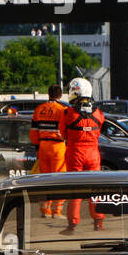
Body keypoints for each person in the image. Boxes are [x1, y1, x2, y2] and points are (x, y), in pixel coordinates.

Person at [61, 77, 106, 233]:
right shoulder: (98, 112)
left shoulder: (68, 113)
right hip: (93, 153)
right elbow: (100, 128)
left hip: (75, 153)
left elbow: (62, 133)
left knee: (75, 190)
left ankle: (72, 225)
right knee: (95, 190)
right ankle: (98, 223)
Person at [30, 84, 69, 218]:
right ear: (60, 95)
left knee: (44, 180)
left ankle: (45, 211)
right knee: (59, 180)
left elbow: (33, 132)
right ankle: (57, 211)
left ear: (49, 94)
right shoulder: (63, 110)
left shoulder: (39, 109)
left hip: (43, 147)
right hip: (57, 147)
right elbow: (66, 131)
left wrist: (37, 147)